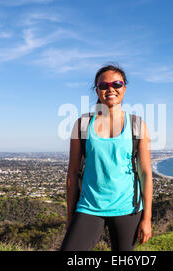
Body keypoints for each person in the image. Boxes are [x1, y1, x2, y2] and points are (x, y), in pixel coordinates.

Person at [60, 64, 153, 251]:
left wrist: (147, 218)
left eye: (116, 84)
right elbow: (72, 173)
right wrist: (71, 216)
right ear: (97, 90)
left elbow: (145, 173)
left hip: (127, 208)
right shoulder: (82, 125)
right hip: (89, 206)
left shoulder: (137, 125)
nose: (110, 89)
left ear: (124, 88)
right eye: (104, 85)